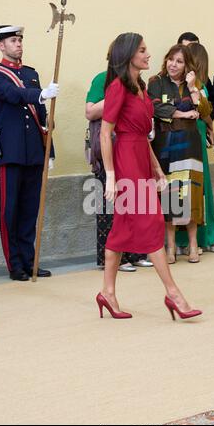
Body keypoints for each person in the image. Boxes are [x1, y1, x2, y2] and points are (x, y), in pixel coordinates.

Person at [97, 32, 202, 320]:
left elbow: (143, 135)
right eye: (143, 50)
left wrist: (156, 169)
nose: (148, 54)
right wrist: (110, 176)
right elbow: (106, 133)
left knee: (121, 229)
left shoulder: (141, 87)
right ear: (129, 54)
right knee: (152, 220)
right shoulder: (118, 87)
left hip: (141, 156)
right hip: (125, 160)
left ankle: (107, 293)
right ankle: (174, 294)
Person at [0, 25, 59, 281]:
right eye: (12, 40)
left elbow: (42, 117)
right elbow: (12, 95)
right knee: (10, 211)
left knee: (30, 210)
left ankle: (30, 261)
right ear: (0, 46)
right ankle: (15, 265)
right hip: (12, 151)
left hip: (34, 151)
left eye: (19, 40)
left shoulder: (31, 73)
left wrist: (49, 151)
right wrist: (41, 93)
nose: (18, 44)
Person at [86, 63, 153, 271]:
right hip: (110, 148)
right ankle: (113, 259)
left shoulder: (137, 83)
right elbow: (89, 111)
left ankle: (136, 252)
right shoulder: (103, 79)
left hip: (133, 150)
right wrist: (118, 98)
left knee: (136, 203)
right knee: (110, 208)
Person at [148, 44, 210, 264]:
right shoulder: (156, 82)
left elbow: (204, 111)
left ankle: (193, 245)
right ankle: (171, 247)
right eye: (171, 59)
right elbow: (155, 107)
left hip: (190, 144)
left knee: (191, 194)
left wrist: (193, 89)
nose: (173, 64)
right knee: (170, 194)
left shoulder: (194, 83)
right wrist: (183, 111)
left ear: (187, 66)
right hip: (166, 143)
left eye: (179, 61)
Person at [176, 43, 214, 253]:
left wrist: (208, 124)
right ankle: (186, 240)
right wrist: (210, 126)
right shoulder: (175, 84)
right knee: (184, 190)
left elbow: (205, 108)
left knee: (197, 189)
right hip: (183, 138)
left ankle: (201, 238)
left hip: (193, 138)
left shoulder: (198, 85)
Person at [177, 32, 214, 120]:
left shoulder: (205, 79)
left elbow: (213, 102)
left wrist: (208, 123)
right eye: (187, 49)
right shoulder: (171, 77)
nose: (192, 53)